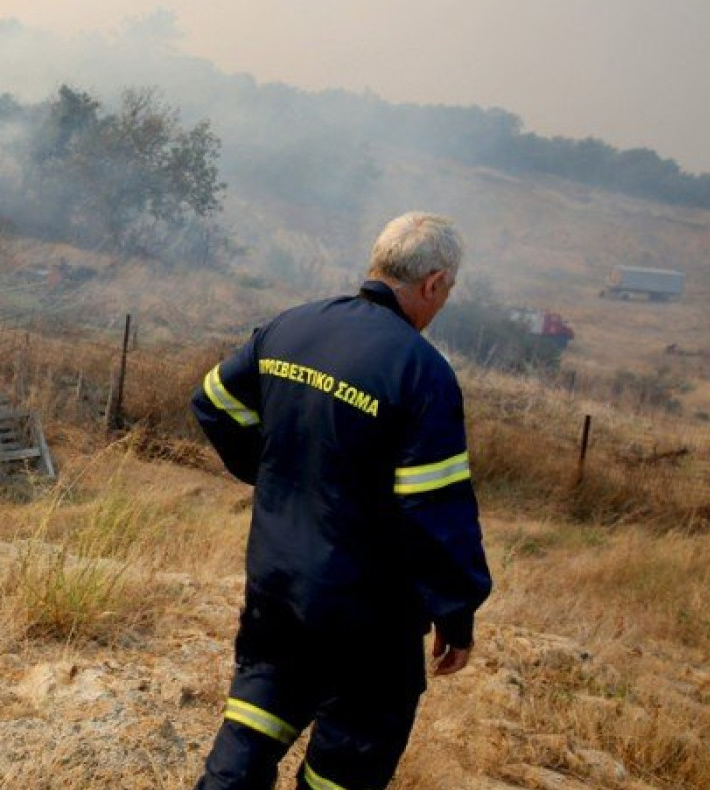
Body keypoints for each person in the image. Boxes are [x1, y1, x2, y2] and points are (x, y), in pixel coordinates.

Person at [189, 212, 492, 790]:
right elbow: (435, 511)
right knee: (345, 769)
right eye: (447, 291)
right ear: (432, 283)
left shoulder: (292, 326)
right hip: (368, 622)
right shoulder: (421, 371)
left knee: (246, 745)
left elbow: (213, 402)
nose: (443, 301)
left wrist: (276, 468)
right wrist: (457, 613)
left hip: (276, 591)